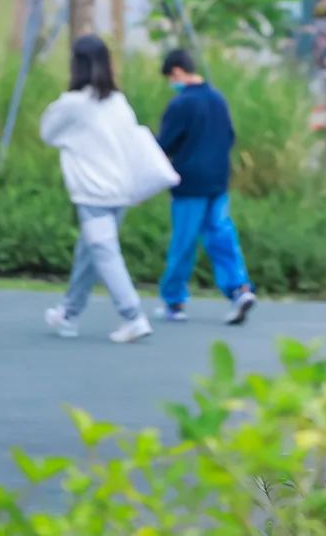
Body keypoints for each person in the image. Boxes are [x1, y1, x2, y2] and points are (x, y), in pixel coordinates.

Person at [40, 35, 153, 344]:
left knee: (103, 253)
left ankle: (132, 316)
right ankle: (70, 312)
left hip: (93, 192)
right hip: (121, 190)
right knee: (89, 253)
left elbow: (47, 132)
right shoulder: (119, 103)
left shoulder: (74, 105)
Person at [155, 48, 255, 325]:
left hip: (190, 183)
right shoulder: (218, 99)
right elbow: (230, 136)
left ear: (176, 72)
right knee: (221, 234)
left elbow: (163, 145)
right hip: (218, 180)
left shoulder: (181, 105)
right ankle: (239, 288)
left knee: (184, 242)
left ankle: (174, 300)